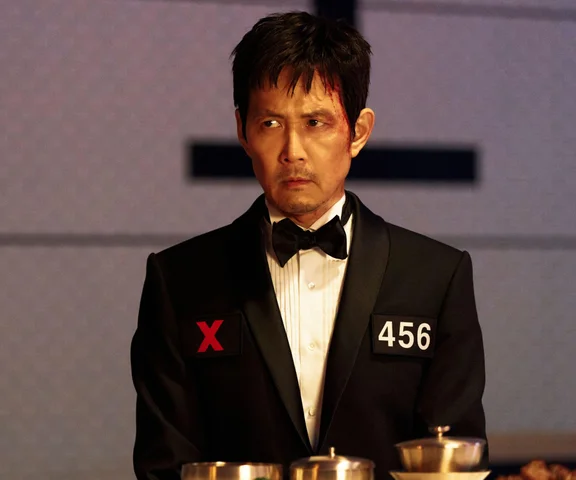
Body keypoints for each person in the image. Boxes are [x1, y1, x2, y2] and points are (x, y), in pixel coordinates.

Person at [130, 11, 488, 480]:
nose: (293, 151)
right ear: (242, 131)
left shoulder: (436, 277)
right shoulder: (180, 281)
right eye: (270, 123)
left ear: (358, 132)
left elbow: (454, 462)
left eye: (316, 122)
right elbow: (163, 465)